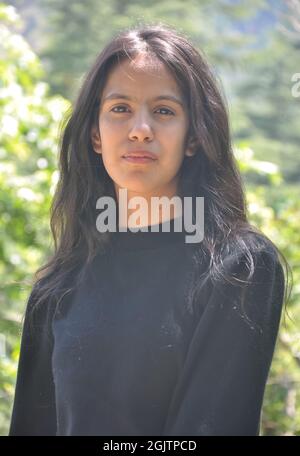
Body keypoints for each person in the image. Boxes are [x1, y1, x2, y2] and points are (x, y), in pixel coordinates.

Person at [9, 24, 291, 436]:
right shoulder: (58, 287)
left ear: (194, 137)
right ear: (95, 135)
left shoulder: (239, 267)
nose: (140, 129)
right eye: (120, 108)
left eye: (164, 111)